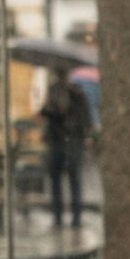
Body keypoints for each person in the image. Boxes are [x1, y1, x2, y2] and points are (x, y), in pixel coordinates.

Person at [37, 71, 93, 229]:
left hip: (72, 143)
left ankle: (76, 217)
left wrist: (84, 135)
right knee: (56, 182)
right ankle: (58, 217)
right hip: (56, 142)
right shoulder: (53, 92)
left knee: (74, 180)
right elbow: (45, 114)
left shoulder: (77, 94)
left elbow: (84, 118)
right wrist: (49, 108)